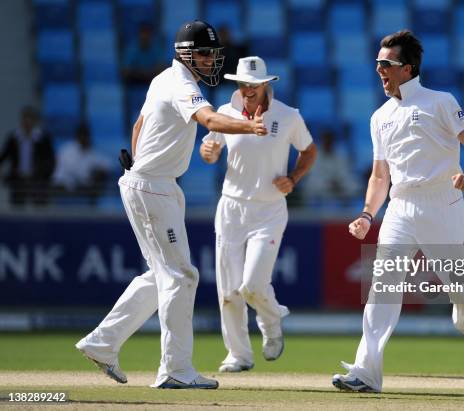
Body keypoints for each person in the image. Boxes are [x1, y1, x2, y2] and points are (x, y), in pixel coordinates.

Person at [75, 20, 268, 390]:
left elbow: (138, 125)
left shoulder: (163, 78)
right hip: (154, 188)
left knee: (161, 275)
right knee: (182, 276)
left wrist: (139, 162)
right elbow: (209, 119)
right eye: (205, 54)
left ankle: (102, 342)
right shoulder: (180, 84)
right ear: (185, 54)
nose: (211, 61)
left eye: (214, 54)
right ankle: (175, 370)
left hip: (152, 184)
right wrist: (250, 126)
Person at [332, 30, 464, 393]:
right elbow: (380, 175)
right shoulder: (380, 116)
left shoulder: (439, 101)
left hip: (443, 204)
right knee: (383, 288)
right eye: (377, 63)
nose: (379, 69)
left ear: (407, 68)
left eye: (386, 64)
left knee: (459, 288)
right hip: (400, 207)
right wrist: (366, 214)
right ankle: (366, 372)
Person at [200, 56, 317, 373]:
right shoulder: (224, 113)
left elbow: (309, 150)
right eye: (242, 84)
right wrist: (208, 153)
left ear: (267, 84)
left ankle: (272, 320)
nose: (247, 90)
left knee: (252, 284)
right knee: (228, 289)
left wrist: (293, 178)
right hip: (231, 208)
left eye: (253, 85)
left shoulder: (288, 115)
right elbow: (209, 149)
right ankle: (238, 354)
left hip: (269, 210)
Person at [0, 105, 55, 206]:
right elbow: (3, 157)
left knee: (39, 208)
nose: (27, 122)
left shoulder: (43, 138)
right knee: (18, 209)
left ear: (35, 121)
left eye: (30, 118)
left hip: (37, 181)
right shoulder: (14, 138)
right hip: (19, 180)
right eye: (25, 118)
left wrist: (44, 174)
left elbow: (51, 160)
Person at [52, 123, 111, 205]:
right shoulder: (67, 150)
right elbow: (74, 172)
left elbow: (108, 165)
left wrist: (98, 172)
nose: (84, 138)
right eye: (81, 135)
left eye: (86, 136)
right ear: (77, 136)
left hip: (82, 189)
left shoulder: (92, 152)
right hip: (63, 188)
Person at [302, 129, 360, 205]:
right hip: (321, 187)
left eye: (330, 141)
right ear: (322, 141)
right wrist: (328, 183)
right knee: (311, 185)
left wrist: (337, 182)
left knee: (354, 185)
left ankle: (348, 207)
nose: (328, 143)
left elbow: (344, 173)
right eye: (326, 141)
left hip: (338, 185)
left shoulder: (340, 155)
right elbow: (314, 175)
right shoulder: (314, 155)